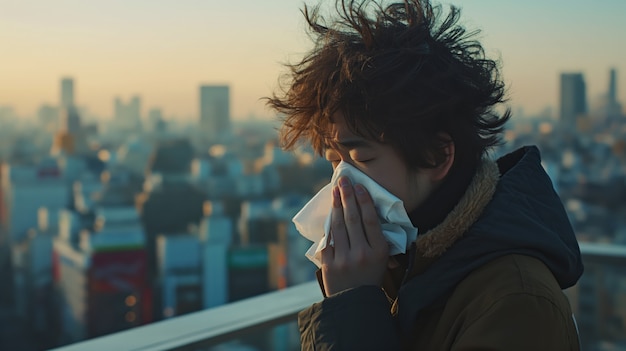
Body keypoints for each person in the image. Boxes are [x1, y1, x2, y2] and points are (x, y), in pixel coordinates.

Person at [266, 0, 584, 349]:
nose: (341, 183)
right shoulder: (399, 268)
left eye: (362, 157)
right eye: (333, 161)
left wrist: (352, 306)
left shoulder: (516, 302)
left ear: (436, 156)